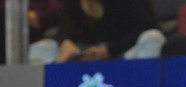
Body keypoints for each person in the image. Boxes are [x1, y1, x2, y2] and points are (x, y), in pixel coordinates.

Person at [27, 0, 165, 64]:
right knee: (38, 49)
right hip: (86, 55)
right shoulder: (69, 3)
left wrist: (109, 51)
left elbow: (147, 25)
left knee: (153, 38)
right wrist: (66, 43)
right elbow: (64, 28)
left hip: (126, 54)